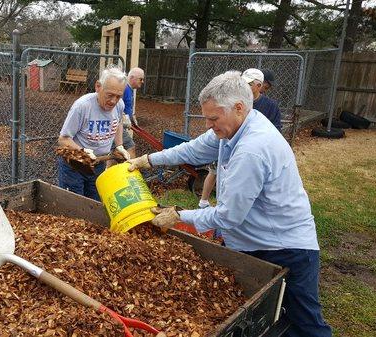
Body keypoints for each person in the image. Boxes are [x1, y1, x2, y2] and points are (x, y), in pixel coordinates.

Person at [127, 70, 332, 337]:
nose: (209, 125)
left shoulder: (252, 149)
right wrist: (148, 160)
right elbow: (193, 149)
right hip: (251, 240)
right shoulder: (237, 124)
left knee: (306, 322)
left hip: (286, 245)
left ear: (238, 107)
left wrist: (178, 215)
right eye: (207, 118)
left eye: (213, 118)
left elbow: (229, 216)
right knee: (255, 314)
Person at [58, 65, 131, 201]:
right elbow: (63, 139)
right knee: (74, 205)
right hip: (75, 165)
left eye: (118, 96)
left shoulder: (119, 105)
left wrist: (119, 145)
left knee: (94, 203)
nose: (114, 101)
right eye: (110, 95)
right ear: (98, 86)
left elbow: (118, 121)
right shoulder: (82, 107)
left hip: (98, 165)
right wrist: (83, 151)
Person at [114, 67, 145, 159]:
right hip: (117, 125)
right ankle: (131, 169)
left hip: (119, 125)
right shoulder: (124, 89)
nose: (142, 81)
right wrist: (124, 117)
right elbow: (115, 105)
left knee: (115, 152)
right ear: (132, 78)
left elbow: (127, 107)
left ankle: (109, 170)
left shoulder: (129, 89)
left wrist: (132, 118)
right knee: (130, 146)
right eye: (141, 79)